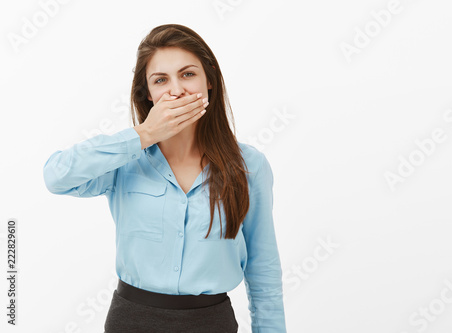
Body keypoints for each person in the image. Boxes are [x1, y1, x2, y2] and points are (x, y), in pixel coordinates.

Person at [42, 24, 287, 333]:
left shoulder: (249, 166)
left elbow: (263, 267)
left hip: (212, 323)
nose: (176, 90)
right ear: (148, 94)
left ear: (209, 79)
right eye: (161, 80)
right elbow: (56, 176)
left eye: (187, 75)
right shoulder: (124, 161)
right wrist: (143, 134)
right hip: (131, 322)